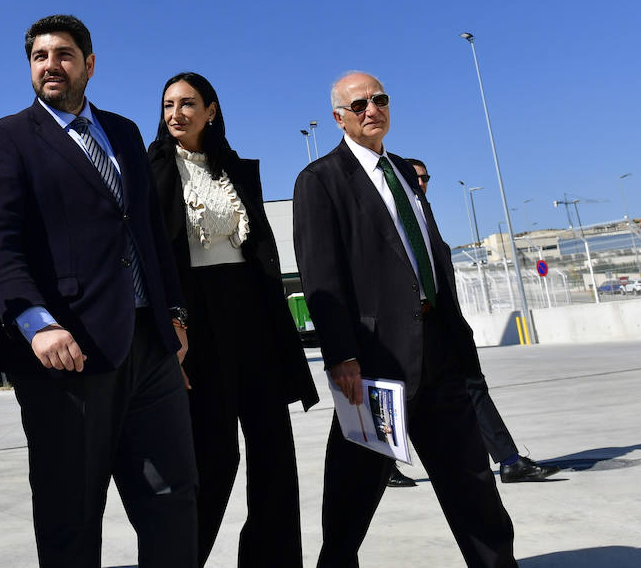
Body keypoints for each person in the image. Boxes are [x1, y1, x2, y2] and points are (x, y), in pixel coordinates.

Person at [0, 14, 197, 568]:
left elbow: (149, 232)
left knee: (173, 497)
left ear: (89, 65)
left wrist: (174, 312)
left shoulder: (123, 132)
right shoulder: (7, 140)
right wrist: (35, 322)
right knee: (69, 513)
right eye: (39, 56)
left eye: (63, 54)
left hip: (150, 347)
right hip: (67, 353)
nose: (50, 65)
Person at [293, 72, 517, 567]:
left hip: (438, 353)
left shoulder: (405, 174)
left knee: (473, 487)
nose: (371, 109)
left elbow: (431, 258)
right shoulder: (321, 181)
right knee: (351, 500)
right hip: (373, 364)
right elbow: (321, 278)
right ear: (338, 118)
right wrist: (342, 356)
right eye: (358, 105)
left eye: (379, 100)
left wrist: (458, 339)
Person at [146, 72, 319, 567]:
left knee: (275, 456)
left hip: (254, 316)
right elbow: (150, 260)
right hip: (195, 320)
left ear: (211, 110)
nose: (175, 113)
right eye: (167, 105)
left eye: (187, 103)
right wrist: (165, 336)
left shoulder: (237, 170)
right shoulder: (151, 170)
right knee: (214, 459)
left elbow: (259, 248)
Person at [386, 160, 559, 487]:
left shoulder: (425, 214)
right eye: (415, 177)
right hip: (405, 326)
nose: (421, 183)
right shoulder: (393, 217)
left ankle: (509, 461)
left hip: (443, 321)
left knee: (472, 385)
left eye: (425, 178)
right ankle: (380, 466)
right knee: (399, 397)